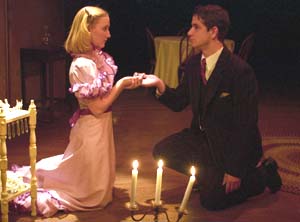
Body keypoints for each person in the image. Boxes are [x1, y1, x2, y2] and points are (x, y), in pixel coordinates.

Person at [141, 4, 282, 210]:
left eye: (196, 27)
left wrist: (234, 170)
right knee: (162, 151)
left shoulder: (239, 71)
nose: (189, 32)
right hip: (203, 140)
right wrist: (160, 85)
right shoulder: (192, 65)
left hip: (230, 145)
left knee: (212, 201)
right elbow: (180, 101)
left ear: (213, 31)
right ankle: (209, 177)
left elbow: (246, 124)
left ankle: (263, 174)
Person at [10, 6, 144, 217]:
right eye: (105, 28)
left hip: (99, 128)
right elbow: (98, 107)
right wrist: (121, 85)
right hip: (91, 129)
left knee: (100, 190)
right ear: (87, 30)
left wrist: (127, 84)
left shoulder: (95, 59)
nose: (109, 34)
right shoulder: (82, 65)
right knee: (92, 195)